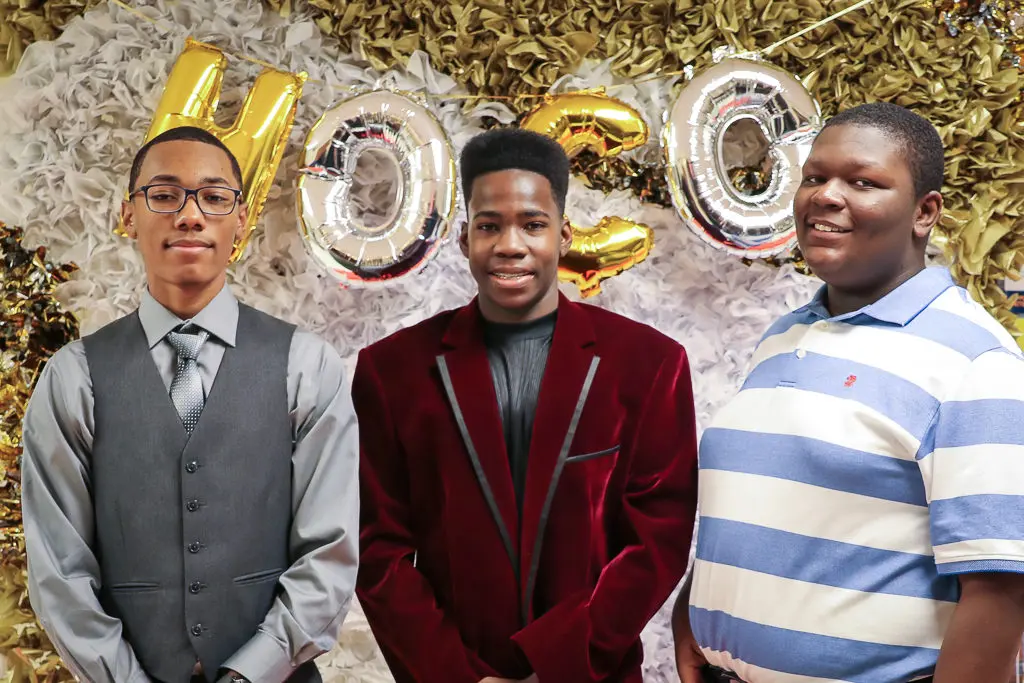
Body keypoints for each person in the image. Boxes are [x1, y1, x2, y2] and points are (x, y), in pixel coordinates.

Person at [673, 102, 1024, 683]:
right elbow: (764, 502)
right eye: (814, 177)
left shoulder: (975, 361)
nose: (826, 196)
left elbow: (1001, 587)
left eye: (863, 182)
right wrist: (697, 609)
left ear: (924, 212)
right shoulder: (783, 335)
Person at [352, 128, 699, 683]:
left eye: (532, 225)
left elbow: (657, 540)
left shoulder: (649, 365)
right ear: (464, 238)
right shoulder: (392, 371)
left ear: (564, 236)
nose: (510, 245)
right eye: (489, 226)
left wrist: (554, 668)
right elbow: (377, 550)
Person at [21, 126, 359, 683]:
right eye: (164, 195)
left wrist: (251, 672)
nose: (190, 216)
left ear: (241, 219)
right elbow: (59, 572)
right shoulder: (73, 377)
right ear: (128, 215)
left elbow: (331, 551)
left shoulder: (306, 365)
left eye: (214, 197)